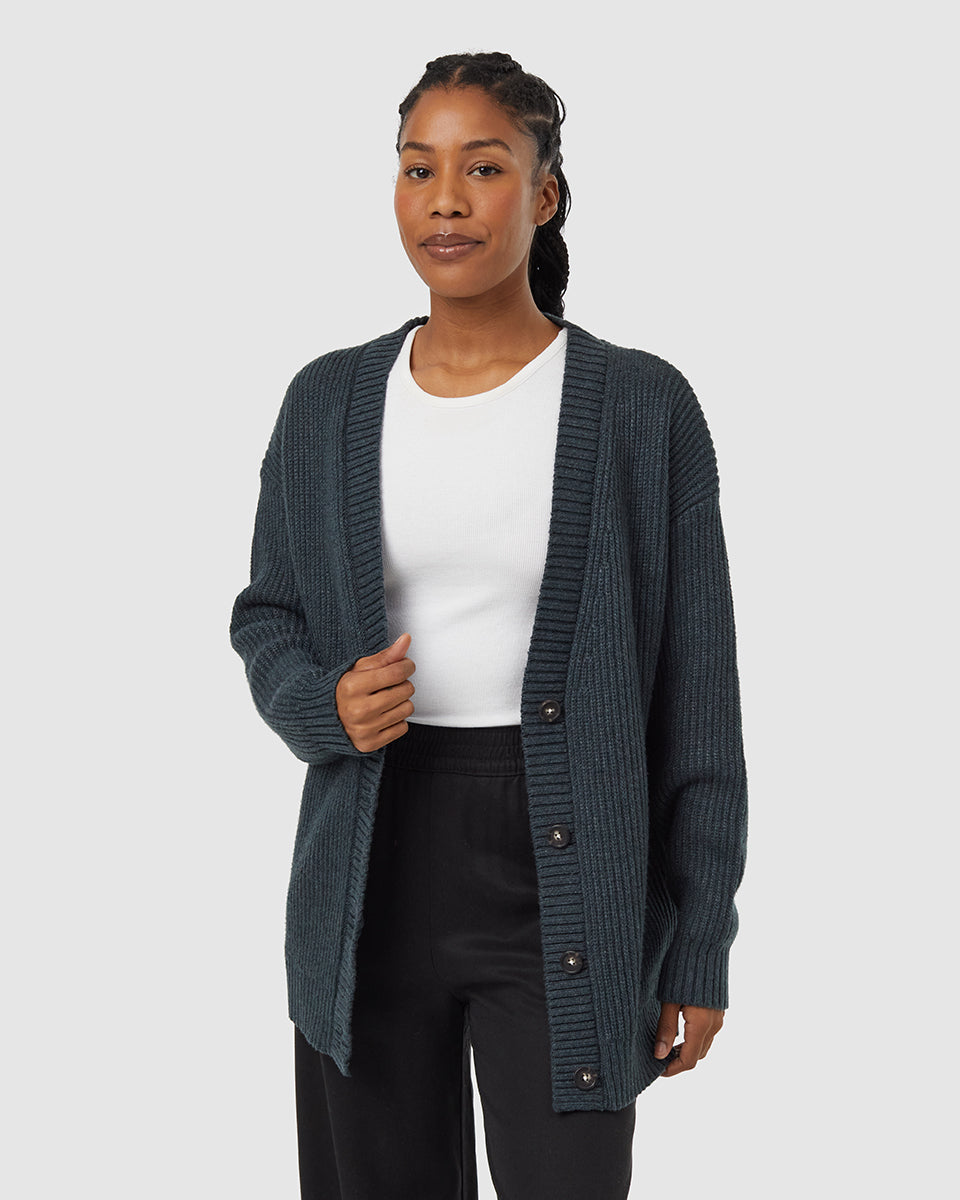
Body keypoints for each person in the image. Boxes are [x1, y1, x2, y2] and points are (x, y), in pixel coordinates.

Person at [229, 49, 749, 1200]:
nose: (446, 201)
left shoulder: (643, 408)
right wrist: (322, 704)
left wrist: (700, 942)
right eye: (418, 169)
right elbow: (269, 616)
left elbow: (698, 699)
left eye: (484, 167)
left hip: (575, 867)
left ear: (544, 193)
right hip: (370, 867)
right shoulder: (325, 403)